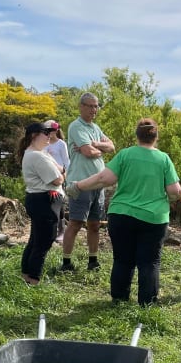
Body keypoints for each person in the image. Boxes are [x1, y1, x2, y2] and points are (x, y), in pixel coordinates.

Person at [72, 118, 181, 305]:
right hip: (153, 218)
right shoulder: (163, 159)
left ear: (137, 136)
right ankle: (147, 304)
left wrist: (78, 186)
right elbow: (175, 191)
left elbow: (103, 179)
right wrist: (169, 199)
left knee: (123, 260)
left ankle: (119, 299)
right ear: (156, 137)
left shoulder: (125, 155)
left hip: (121, 215)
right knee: (149, 262)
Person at [62, 92, 115, 272]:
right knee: (76, 223)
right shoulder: (76, 126)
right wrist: (99, 148)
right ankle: (66, 262)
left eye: (96, 106)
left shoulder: (95, 127)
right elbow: (88, 153)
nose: (94, 110)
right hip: (81, 182)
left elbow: (112, 146)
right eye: (90, 106)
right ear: (81, 106)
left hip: (98, 184)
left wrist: (94, 144)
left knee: (95, 224)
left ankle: (93, 261)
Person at [17, 122, 65, 286]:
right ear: (34, 136)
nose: (49, 136)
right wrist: (60, 174)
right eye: (45, 133)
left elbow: (61, 169)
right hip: (45, 200)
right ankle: (34, 279)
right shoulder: (37, 156)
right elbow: (58, 178)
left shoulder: (36, 153)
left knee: (36, 240)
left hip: (39, 199)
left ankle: (26, 275)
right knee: (44, 241)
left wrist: (59, 171)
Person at [43, 119, 70, 241]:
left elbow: (66, 162)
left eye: (53, 129)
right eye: (49, 130)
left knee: (59, 203)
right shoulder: (44, 144)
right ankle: (48, 230)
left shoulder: (61, 144)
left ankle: (61, 231)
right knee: (46, 202)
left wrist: (67, 177)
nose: (52, 132)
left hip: (59, 177)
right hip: (45, 177)